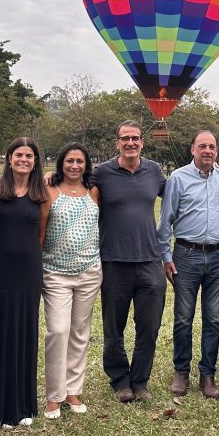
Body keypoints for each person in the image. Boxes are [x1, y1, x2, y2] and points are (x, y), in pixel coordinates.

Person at [0, 137, 48, 426]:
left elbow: (40, 236)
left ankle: (21, 405)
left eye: (29, 156)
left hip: (27, 271)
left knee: (23, 332)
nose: (24, 160)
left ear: (35, 161)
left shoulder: (42, 193)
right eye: (19, 154)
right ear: (9, 157)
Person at [91, 121, 166, 403]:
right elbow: (73, 184)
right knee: (114, 328)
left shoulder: (154, 171)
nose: (131, 143)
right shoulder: (102, 173)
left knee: (149, 326)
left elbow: (174, 197)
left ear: (142, 142)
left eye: (135, 138)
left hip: (150, 260)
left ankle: (140, 380)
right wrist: (51, 179)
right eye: (125, 139)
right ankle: (120, 380)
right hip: (114, 261)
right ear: (117, 142)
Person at [157, 130, 219, 399]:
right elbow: (165, 220)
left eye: (212, 146)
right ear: (193, 150)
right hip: (185, 256)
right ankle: (181, 372)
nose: (208, 151)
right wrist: (165, 256)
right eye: (202, 146)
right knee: (183, 318)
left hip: (216, 256)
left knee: (213, 318)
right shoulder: (178, 178)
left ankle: (207, 374)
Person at [40, 142, 103, 419]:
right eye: (69, 161)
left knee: (80, 332)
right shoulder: (49, 191)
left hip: (89, 271)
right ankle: (54, 395)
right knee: (58, 330)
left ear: (86, 164)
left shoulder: (94, 192)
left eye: (80, 161)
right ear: (61, 164)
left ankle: (73, 389)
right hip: (55, 273)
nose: (75, 166)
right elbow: (40, 234)